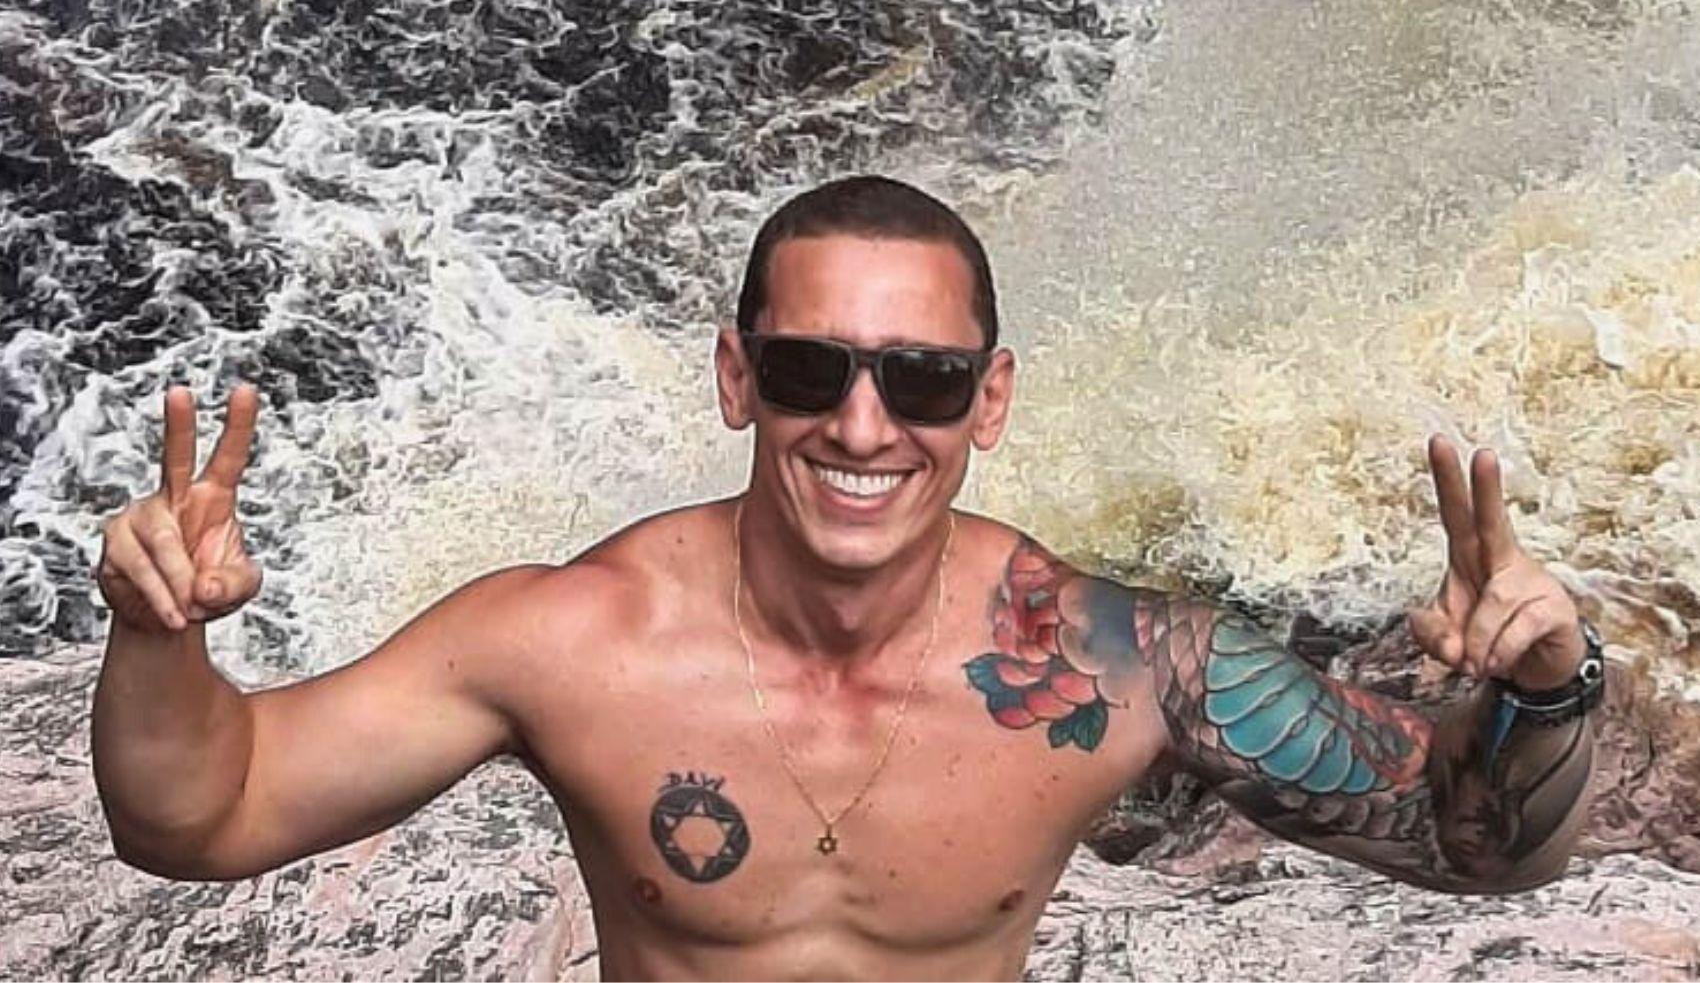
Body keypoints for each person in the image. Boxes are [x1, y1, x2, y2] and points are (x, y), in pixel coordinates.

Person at [92, 175, 1602, 980]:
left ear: (989, 400)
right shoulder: (572, 638)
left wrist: (1550, 686)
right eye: (812, 369)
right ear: (737, 377)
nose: (865, 427)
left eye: (922, 379)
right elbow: (201, 816)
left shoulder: (1123, 660)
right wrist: (158, 635)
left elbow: (1474, 840)